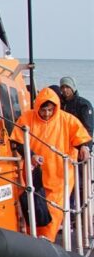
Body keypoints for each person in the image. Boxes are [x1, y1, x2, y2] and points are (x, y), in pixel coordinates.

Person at [12, 88, 91, 241]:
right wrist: (32, 156)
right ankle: (32, 241)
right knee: (34, 210)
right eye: (43, 110)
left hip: (60, 177)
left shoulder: (67, 120)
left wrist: (84, 147)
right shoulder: (26, 119)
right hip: (34, 174)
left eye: (50, 110)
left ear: (55, 107)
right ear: (37, 107)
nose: (47, 113)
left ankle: (48, 242)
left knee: (54, 213)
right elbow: (17, 142)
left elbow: (83, 139)